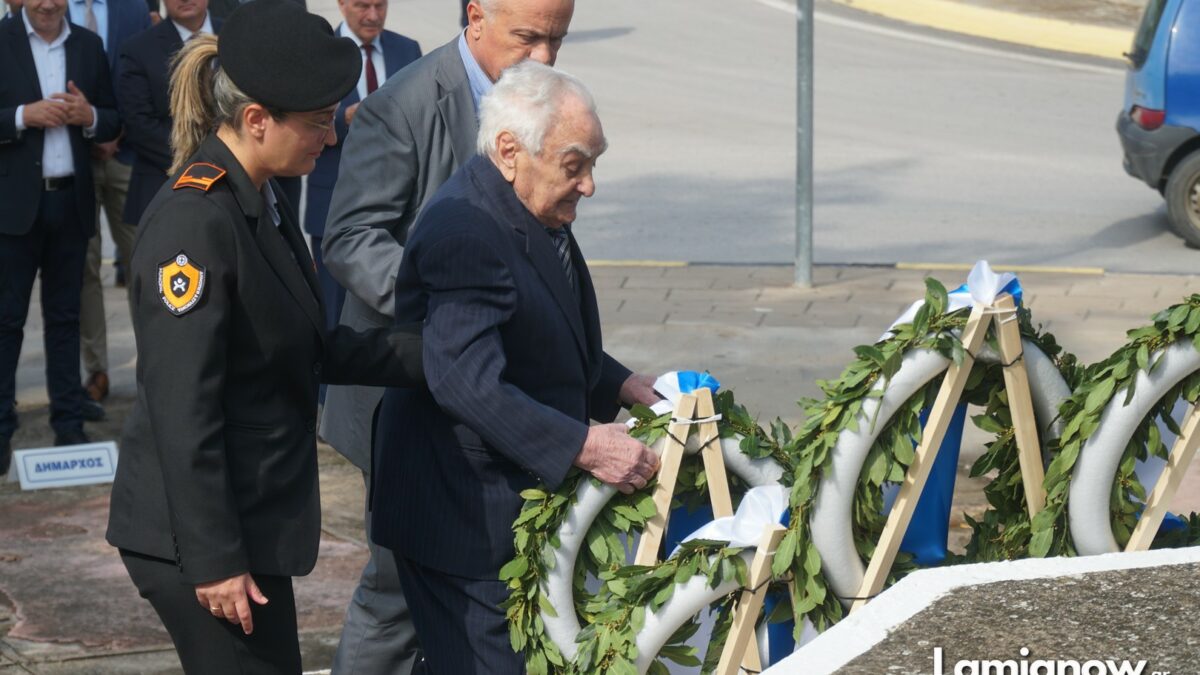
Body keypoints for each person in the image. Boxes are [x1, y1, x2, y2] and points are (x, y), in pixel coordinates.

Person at [103, 1, 425, 671]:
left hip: (248, 519)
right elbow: (182, 408)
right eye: (317, 123)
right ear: (256, 120)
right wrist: (215, 560)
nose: (329, 139)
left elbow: (306, 345)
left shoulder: (262, 196)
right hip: (198, 538)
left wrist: (439, 356)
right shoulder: (196, 222)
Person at [373, 61, 662, 672]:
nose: (589, 185)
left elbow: (536, 326)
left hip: (498, 507)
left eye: (593, 164)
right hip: (464, 518)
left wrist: (621, 383)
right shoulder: (466, 229)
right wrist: (585, 445)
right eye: (574, 165)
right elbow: (464, 379)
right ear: (510, 151)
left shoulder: (527, 202)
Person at [318, 1, 575, 670]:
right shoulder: (403, 104)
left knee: (468, 582)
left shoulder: (538, 98)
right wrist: (445, 299)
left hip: (486, 390)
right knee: (395, 589)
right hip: (405, 395)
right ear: (477, 16)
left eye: (558, 39)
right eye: (529, 37)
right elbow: (349, 238)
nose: (545, 57)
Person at [0, 0, 120, 473]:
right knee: (6, 321)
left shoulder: (89, 46)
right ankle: (1, 429)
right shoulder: (2, 41)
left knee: (66, 319)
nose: (48, 3)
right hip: (14, 208)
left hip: (70, 202)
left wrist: (88, 116)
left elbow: (113, 119)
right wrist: (21, 116)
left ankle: (68, 424)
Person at [305, 0, 420, 332]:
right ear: (341, 5)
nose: (373, 15)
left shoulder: (407, 49)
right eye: (362, 6)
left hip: (396, 207)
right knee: (333, 313)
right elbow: (303, 117)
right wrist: (344, 118)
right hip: (332, 205)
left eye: (379, 5)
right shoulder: (320, 52)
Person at [70, 0, 150, 406]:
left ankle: (153, 366)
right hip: (73, 159)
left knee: (144, 262)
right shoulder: (51, 10)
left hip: (127, 154)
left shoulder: (133, 9)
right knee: (85, 268)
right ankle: (96, 369)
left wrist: (114, 132)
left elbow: (140, 76)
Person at [116, 0, 216, 231]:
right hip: (164, 187)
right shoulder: (138, 49)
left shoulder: (236, 36)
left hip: (239, 187)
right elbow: (139, 124)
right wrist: (204, 162)